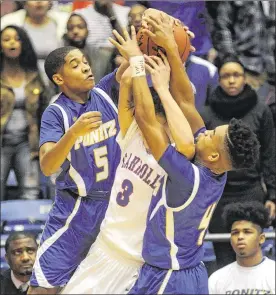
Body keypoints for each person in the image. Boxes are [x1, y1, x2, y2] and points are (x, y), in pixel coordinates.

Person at [111, 14, 260, 294]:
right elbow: (186, 103)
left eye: (209, 134)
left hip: (167, 277)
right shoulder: (215, 174)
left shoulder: (186, 177)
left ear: (214, 155)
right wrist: (171, 49)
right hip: (193, 272)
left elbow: (145, 117)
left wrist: (138, 61)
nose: (203, 132)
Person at [27, 46, 122, 294]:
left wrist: (141, 49)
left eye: (85, 61)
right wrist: (73, 134)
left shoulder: (105, 91)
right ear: (59, 78)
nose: (86, 67)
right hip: (77, 210)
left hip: (115, 206)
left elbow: (132, 69)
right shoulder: (56, 113)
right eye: (75, 64)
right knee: (43, 289)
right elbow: (47, 165)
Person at [200, 54, 276, 269]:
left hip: (251, 192)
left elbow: (270, 154)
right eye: (225, 76)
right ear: (219, 80)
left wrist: (272, 194)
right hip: (217, 195)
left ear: (245, 78)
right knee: (223, 257)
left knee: (251, 254)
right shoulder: (206, 113)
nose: (231, 80)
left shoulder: (261, 111)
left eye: (236, 75)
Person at [0, 25, 49, 200]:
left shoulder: (34, 75)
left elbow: (44, 110)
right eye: (6, 39)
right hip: (2, 142)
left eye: (16, 38)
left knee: (31, 191)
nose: (12, 42)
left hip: (27, 142)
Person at [209, 201, 275, 294]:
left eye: (247, 232)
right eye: (235, 233)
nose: (240, 237)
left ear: (261, 238)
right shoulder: (217, 279)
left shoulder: (273, 273)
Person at [0, 0, 69, 87]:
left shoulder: (63, 21)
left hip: (58, 82)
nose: (38, 2)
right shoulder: (8, 22)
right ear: (24, 3)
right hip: (23, 83)